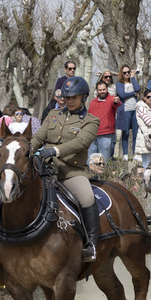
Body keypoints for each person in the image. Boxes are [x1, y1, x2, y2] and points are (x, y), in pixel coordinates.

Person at [32, 76, 101, 261]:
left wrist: (54, 150)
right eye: (67, 97)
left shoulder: (91, 120)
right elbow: (38, 137)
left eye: (74, 98)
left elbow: (81, 142)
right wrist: (25, 150)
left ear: (84, 97)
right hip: (44, 169)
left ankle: (92, 244)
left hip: (71, 172)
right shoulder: (53, 115)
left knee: (87, 198)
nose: (69, 101)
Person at [85, 81, 120, 160]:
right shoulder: (93, 102)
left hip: (106, 134)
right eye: (100, 90)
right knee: (91, 160)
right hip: (93, 134)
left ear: (107, 89)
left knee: (104, 160)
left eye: (104, 89)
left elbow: (117, 103)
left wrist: (116, 101)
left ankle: (104, 172)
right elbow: (89, 116)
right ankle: (91, 173)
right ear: (97, 91)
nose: (102, 92)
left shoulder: (111, 99)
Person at [115, 65, 141, 157]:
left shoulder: (132, 82)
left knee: (135, 132)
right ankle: (125, 154)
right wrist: (133, 93)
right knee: (125, 133)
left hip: (135, 110)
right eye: (124, 72)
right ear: (121, 74)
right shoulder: (119, 84)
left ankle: (135, 153)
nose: (127, 74)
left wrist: (133, 78)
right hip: (125, 110)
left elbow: (138, 89)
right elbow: (122, 95)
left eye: (128, 72)